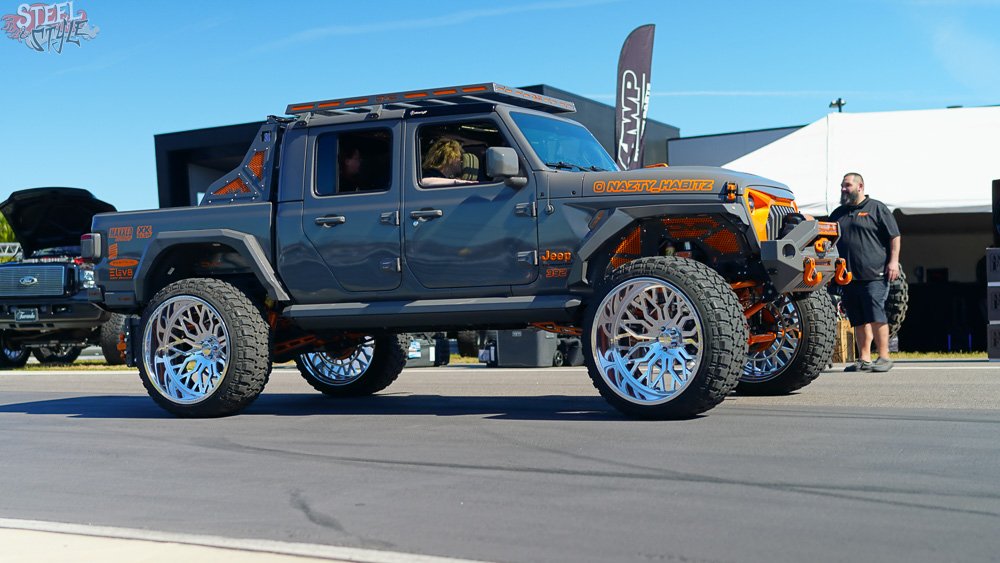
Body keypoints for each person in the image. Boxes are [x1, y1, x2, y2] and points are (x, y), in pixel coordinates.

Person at [830, 172, 901, 372]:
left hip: (875, 274)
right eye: (842, 186)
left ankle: (884, 357)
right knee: (858, 318)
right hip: (849, 276)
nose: (844, 189)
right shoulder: (838, 214)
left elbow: (894, 236)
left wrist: (893, 262)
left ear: (860, 187)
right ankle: (864, 359)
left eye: (848, 185)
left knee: (876, 314)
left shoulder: (876, 208)